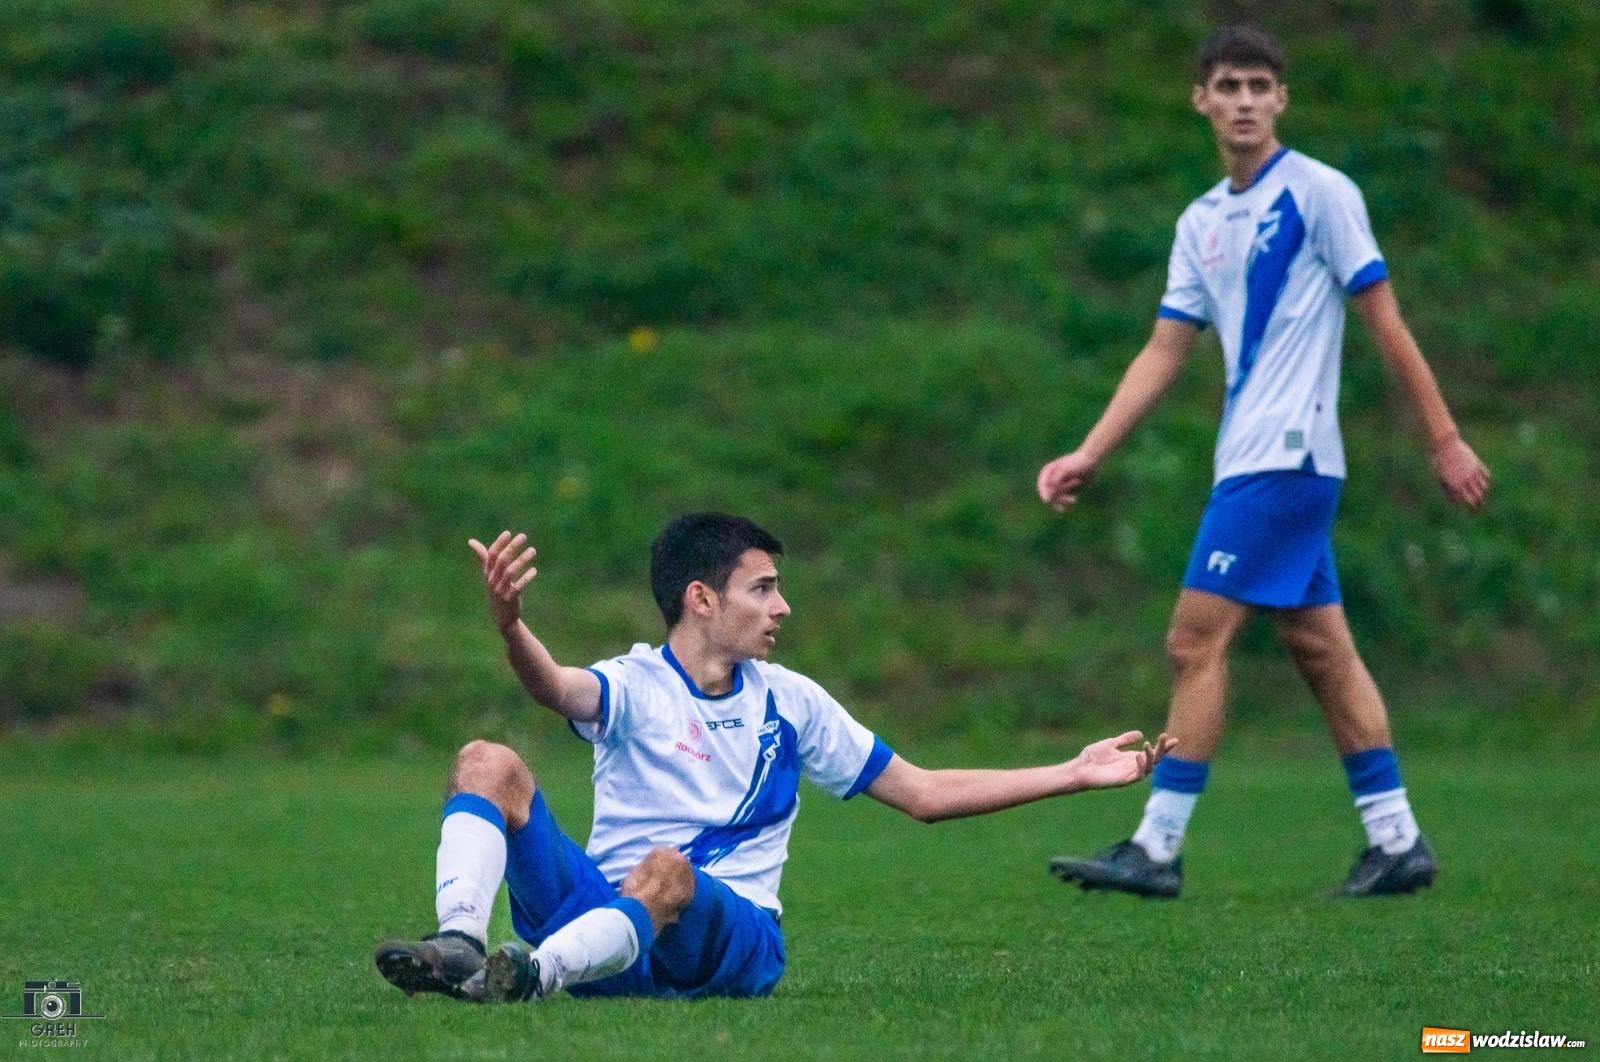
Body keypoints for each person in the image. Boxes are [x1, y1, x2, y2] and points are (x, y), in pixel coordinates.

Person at [1036, 26, 1489, 899]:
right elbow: (1164, 350)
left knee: (1191, 639)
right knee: (1320, 646)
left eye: (1259, 85)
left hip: (1289, 457)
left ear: (1282, 99)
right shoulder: (1201, 221)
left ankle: (1157, 847)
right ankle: (1396, 840)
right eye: (1227, 85)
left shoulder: (1321, 193)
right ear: (1200, 100)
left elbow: (1385, 319)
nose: (1244, 100)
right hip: (1249, 456)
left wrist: (1444, 438)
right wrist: (1090, 451)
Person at [375, 513, 1175, 1002]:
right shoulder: (635, 683)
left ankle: (532, 977)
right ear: (701, 597)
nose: (781, 606)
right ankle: (462, 947)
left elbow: (924, 790)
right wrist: (512, 625)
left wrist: (1073, 771)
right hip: (604, 924)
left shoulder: (791, 701)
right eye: (762, 587)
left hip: (732, 940)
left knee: (670, 872)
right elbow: (552, 686)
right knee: (486, 759)